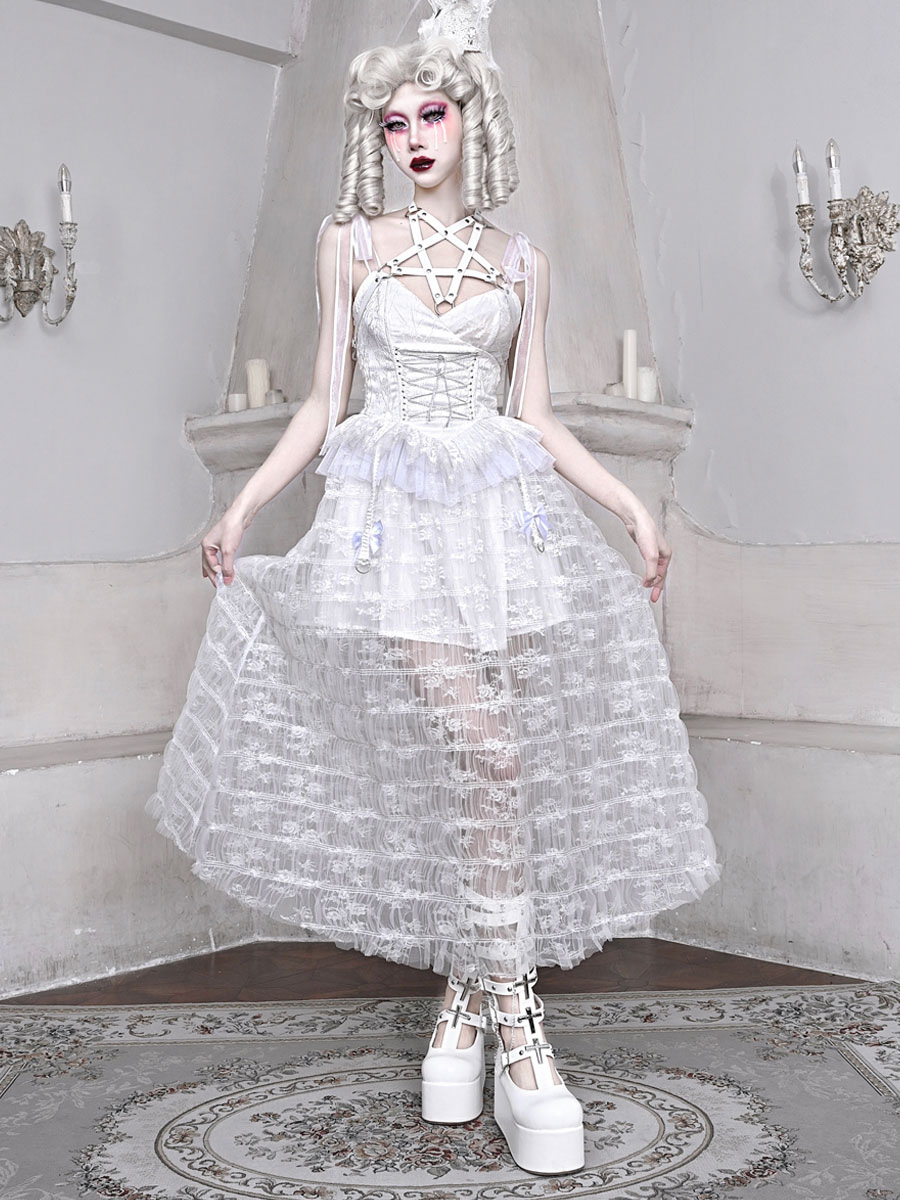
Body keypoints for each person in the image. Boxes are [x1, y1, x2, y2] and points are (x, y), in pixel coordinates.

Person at [147, 20, 721, 1179]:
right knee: (489, 752)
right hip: (393, 537)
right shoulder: (350, 246)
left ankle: (461, 1008)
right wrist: (243, 506)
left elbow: (536, 418)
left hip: (505, 535)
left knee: (491, 767)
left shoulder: (522, 264)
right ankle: (520, 1028)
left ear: (471, 120)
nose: (412, 136)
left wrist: (632, 507)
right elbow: (324, 402)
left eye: (433, 113)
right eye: (394, 121)